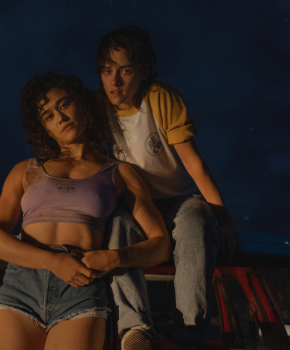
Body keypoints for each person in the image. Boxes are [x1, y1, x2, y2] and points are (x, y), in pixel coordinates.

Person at [0, 72, 171, 350]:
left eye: (64, 104)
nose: (59, 117)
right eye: (48, 116)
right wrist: (53, 261)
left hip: (81, 287)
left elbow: (161, 245)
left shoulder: (119, 173)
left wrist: (115, 258)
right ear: (45, 129)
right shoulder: (25, 171)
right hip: (23, 285)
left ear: (82, 105)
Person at [89, 26, 242, 350]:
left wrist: (224, 219)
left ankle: (190, 332)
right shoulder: (99, 106)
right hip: (136, 203)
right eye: (106, 70)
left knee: (194, 225)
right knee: (116, 227)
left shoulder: (160, 99)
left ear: (142, 71)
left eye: (125, 70)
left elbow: (194, 165)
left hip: (179, 199)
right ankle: (134, 330)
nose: (114, 82)